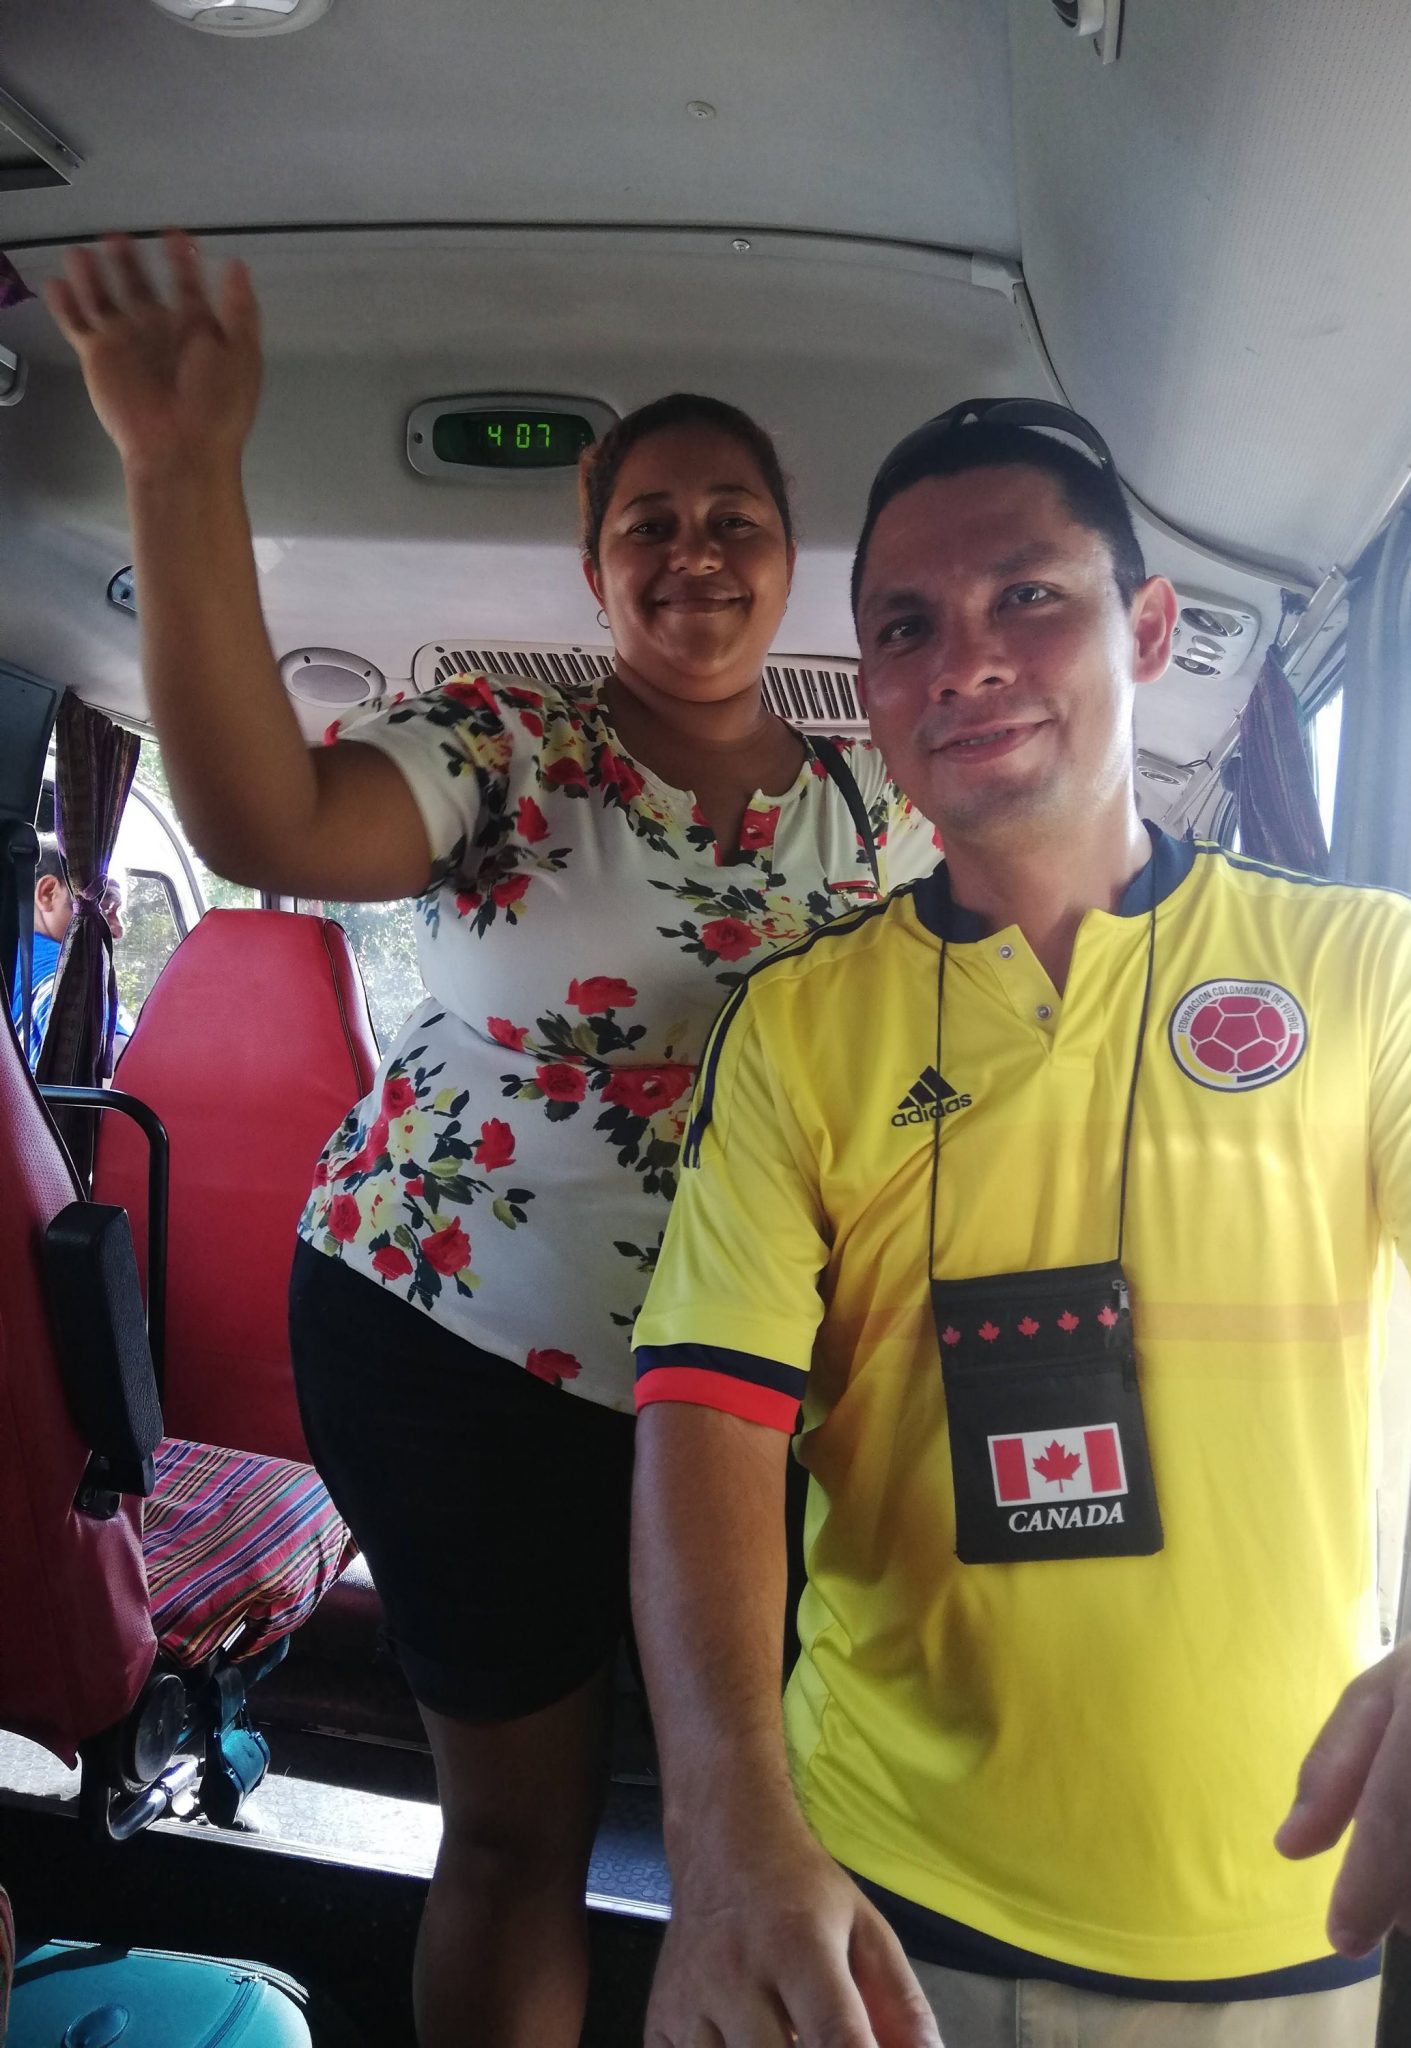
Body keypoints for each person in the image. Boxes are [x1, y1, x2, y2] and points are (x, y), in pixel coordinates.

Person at [44, 230, 938, 2048]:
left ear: (791, 557)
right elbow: (268, 821)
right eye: (649, 521)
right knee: (517, 1828)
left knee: (767, 1825)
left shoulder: (884, 817)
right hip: (447, 1341)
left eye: (736, 518)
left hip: (751, 1384)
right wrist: (181, 470)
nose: (694, 550)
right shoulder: (499, 743)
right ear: (595, 568)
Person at [630, 399, 1411, 2047]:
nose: (964, 661)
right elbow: (707, 1425)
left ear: (1149, 630)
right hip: (874, 1898)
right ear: (869, 685)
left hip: (1286, 1892)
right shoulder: (795, 1028)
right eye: (905, 626)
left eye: (1028, 596)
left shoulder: (1371, 974)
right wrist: (722, 1838)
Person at [8, 842, 71, 1067]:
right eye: (106, 904)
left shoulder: (10, 960)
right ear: (48, 893)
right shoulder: (65, 973)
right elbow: (121, 1071)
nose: (119, 930)